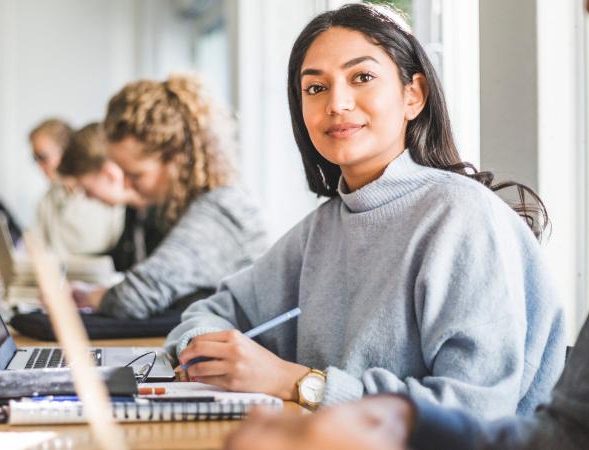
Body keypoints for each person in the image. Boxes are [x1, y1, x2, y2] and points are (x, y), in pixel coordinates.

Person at [166, 3, 564, 419]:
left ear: (414, 95)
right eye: (315, 88)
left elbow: (475, 412)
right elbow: (212, 312)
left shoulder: (461, 216)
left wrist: (300, 383)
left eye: (363, 77)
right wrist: (207, 354)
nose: (336, 103)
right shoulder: (324, 227)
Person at [225, 315, 589, 450]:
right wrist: (403, 417)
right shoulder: (324, 223)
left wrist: (311, 386)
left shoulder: (462, 215)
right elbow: (563, 436)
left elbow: (483, 409)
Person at [72, 74, 268, 319]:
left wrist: (87, 297)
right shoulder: (194, 206)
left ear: (176, 158)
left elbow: (133, 298)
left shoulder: (220, 211)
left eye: (135, 174)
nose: (125, 184)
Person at [56, 122, 165, 272]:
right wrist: (62, 264)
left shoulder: (165, 214)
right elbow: (119, 260)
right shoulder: (133, 211)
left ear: (109, 173)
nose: (88, 196)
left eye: (87, 188)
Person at [29, 118, 124, 259]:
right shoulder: (48, 199)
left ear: (64, 151)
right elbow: (39, 247)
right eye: (35, 158)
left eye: (42, 157)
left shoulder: (107, 193)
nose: (39, 165)